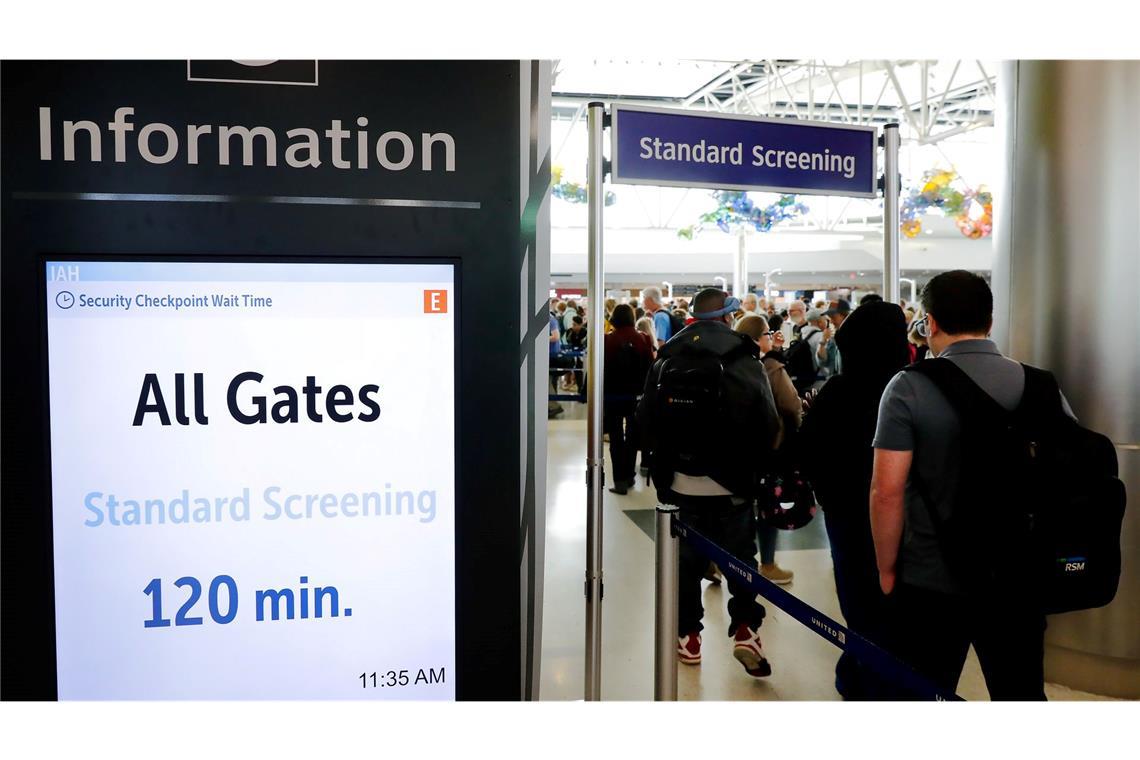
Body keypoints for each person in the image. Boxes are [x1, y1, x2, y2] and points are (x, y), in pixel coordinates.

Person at [870, 270, 1069, 700]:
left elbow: (885, 491)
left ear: (931, 323)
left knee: (925, 694)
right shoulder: (1040, 384)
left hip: (932, 578)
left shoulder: (909, 388)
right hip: (1020, 575)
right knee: (1020, 695)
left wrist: (886, 569)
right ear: (990, 322)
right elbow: (1068, 472)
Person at [637, 289, 781, 678]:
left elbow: (646, 418)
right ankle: (746, 630)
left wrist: (660, 471)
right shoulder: (743, 357)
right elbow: (767, 421)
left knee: (685, 565)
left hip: (680, 484)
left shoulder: (666, 356)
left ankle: (688, 637)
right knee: (740, 560)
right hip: (732, 482)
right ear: (727, 317)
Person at [799, 301, 910, 700]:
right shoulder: (915, 387)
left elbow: (808, 451)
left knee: (858, 599)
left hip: (847, 517)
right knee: (899, 602)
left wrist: (828, 496)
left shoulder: (839, 392)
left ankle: (859, 674)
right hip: (910, 519)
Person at [734, 314, 801, 584]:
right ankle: (768, 563)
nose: (770, 338)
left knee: (736, 508)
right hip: (769, 446)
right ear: (757, 338)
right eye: (766, 334)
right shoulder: (771, 367)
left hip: (738, 446)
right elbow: (791, 403)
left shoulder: (731, 362)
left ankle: (719, 560)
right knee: (767, 507)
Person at [603, 304, 655, 495]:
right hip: (637, 398)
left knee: (616, 438)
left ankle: (619, 481)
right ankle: (630, 475)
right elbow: (650, 368)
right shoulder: (643, 339)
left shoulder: (607, 340)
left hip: (612, 397)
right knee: (633, 437)